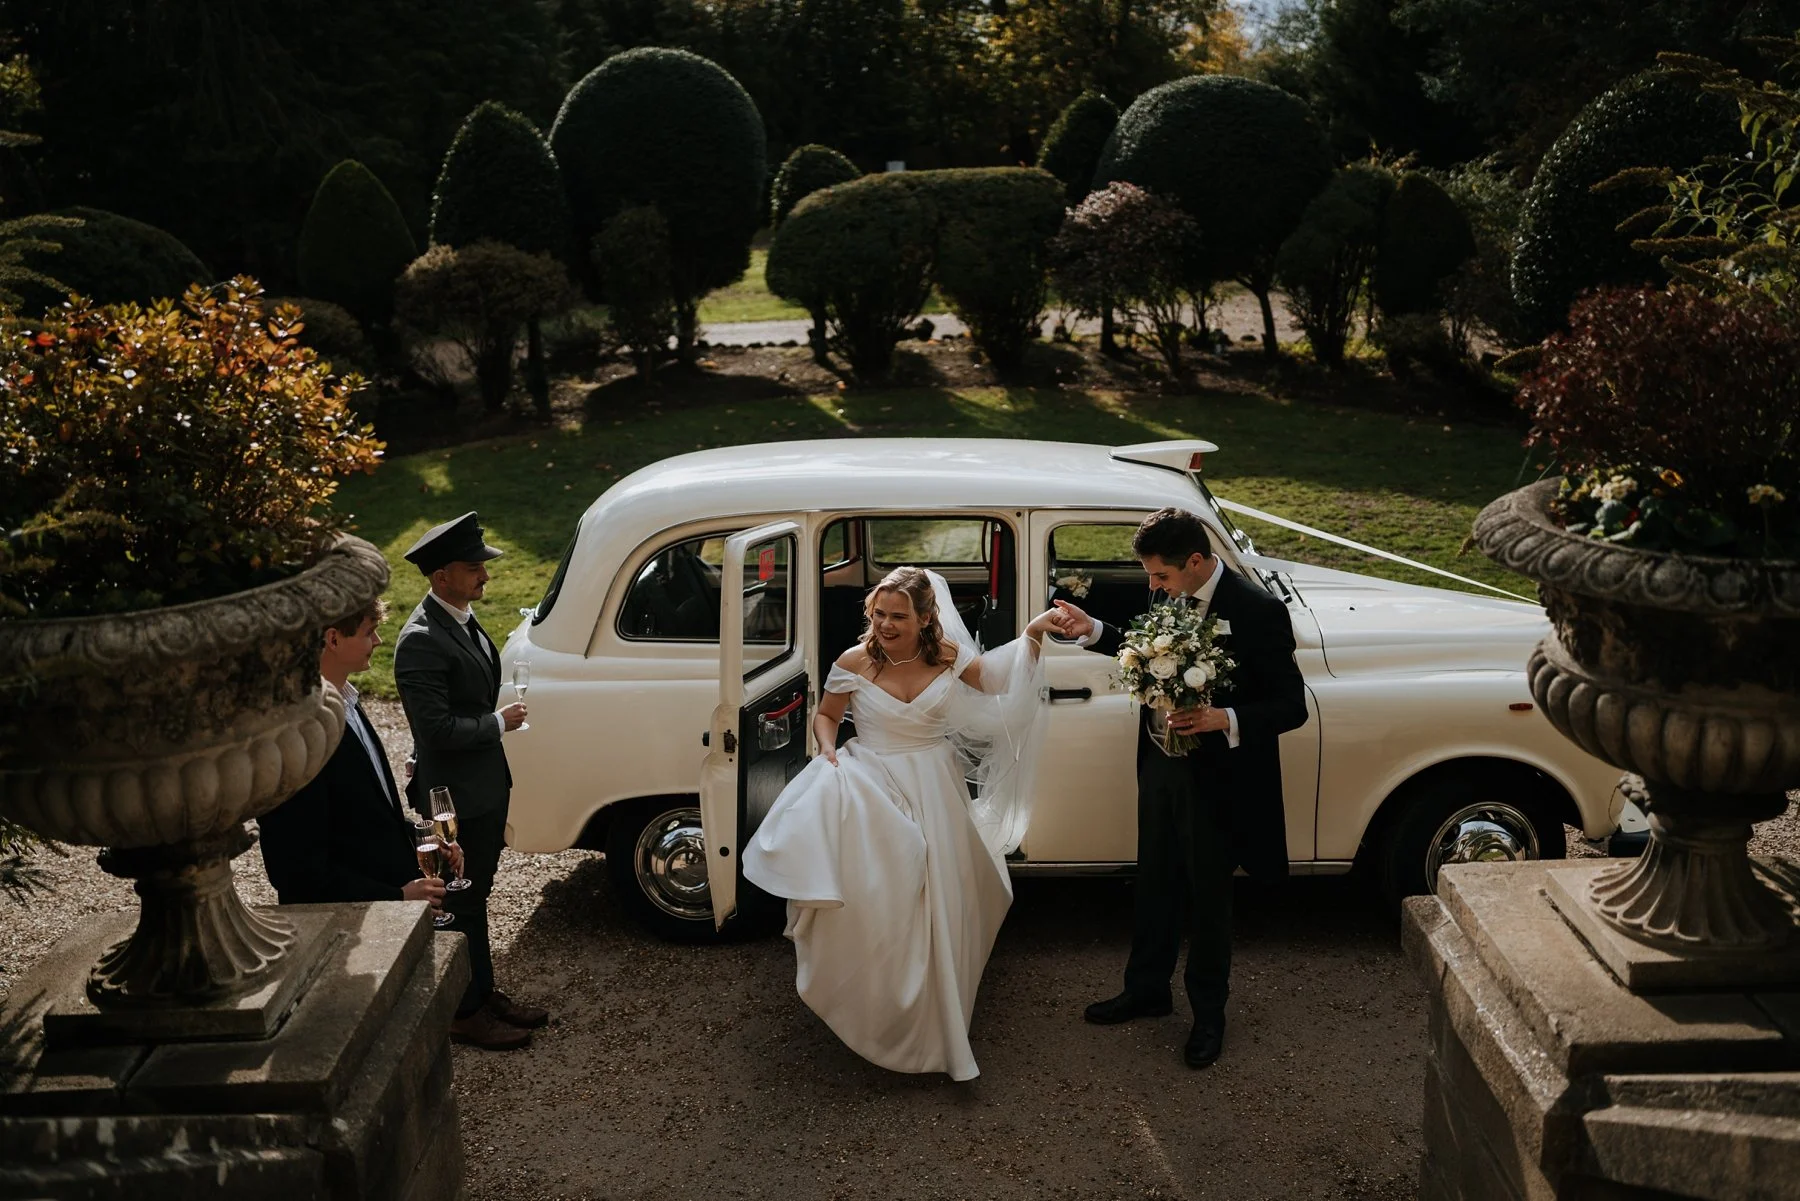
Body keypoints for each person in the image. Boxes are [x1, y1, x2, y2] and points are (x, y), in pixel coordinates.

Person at [743, 566, 1061, 1081]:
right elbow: (827, 716)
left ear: (926, 618)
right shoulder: (854, 661)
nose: (886, 624)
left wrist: (1034, 634)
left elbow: (1001, 682)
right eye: (879, 613)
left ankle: (942, 1009)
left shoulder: (950, 657)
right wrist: (826, 750)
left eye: (898, 615)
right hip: (874, 779)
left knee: (943, 894)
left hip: (935, 781)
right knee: (886, 895)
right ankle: (879, 1002)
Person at [1052, 507, 1307, 1069]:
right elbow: (1150, 655)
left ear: (1195, 561)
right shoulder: (1169, 594)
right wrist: (1092, 630)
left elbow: (1292, 705)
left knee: (1209, 899)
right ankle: (1147, 990)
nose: (1153, 587)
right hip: (1161, 767)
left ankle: (1208, 1015)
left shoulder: (1256, 611)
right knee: (1155, 882)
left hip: (1220, 781)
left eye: (1161, 576)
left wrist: (1226, 718)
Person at [395, 511, 545, 1052]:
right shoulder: (420, 640)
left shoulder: (460, 616)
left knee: (475, 896)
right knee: (459, 900)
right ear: (441, 577)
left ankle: (482, 989)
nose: (485, 574)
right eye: (473, 567)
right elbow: (433, 728)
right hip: (453, 798)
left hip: (480, 786)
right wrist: (495, 723)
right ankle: (463, 1010)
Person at [259, 598, 448, 917]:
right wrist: (397, 897)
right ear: (332, 639)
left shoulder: (348, 701)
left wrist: (422, 838)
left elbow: (363, 817)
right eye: (369, 631)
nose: (378, 641)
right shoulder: (294, 735)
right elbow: (297, 874)